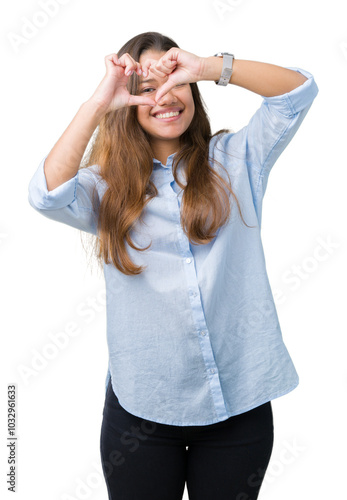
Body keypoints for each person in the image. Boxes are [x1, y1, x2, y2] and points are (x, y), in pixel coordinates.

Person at [28, 31, 319, 500]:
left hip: (238, 405)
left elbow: (297, 92)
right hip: (142, 408)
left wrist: (206, 66)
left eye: (174, 81)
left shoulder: (237, 159)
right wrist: (100, 102)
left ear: (192, 92)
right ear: (127, 105)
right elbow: (45, 196)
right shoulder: (105, 188)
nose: (163, 96)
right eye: (146, 89)